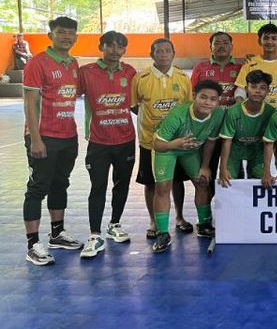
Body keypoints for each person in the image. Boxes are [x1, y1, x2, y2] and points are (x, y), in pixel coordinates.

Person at [22, 16, 83, 265]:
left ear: (76, 36)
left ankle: (57, 234)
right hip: (44, 137)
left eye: (71, 33)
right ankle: (32, 245)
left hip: (68, 136)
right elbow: (30, 103)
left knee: (60, 184)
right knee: (38, 188)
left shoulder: (73, 63)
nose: (66, 37)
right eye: (61, 32)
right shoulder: (37, 62)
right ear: (51, 35)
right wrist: (35, 139)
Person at [78, 31, 137, 259]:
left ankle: (114, 225)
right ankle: (94, 235)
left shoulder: (130, 72)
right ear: (101, 47)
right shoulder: (86, 72)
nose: (115, 50)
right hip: (98, 142)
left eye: (120, 46)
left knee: (122, 184)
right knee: (98, 186)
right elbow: (63, 96)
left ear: (125, 50)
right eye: (110, 45)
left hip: (126, 140)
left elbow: (137, 103)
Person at [151, 80, 225, 253]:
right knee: (163, 187)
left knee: (203, 181)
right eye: (203, 97)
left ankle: (204, 224)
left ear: (218, 101)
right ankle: (162, 233)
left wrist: (205, 166)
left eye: (213, 99)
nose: (207, 102)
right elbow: (157, 145)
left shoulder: (218, 114)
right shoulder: (178, 114)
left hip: (190, 150)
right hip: (168, 149)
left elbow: (211, 142)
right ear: (194, 96)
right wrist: (175, 144)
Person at [132, 38, 194, 240]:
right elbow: (134, 106)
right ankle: (153, 221)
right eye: (159, 51)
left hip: (177, 141)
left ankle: (180, 217)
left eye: (168, 51)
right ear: (152, 55)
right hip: (149, 141)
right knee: (151, 182)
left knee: (177, 180)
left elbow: (188, 107)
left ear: (173, 54)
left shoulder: (183, 78)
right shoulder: (140, 78)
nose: (164, 54)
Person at [190, 32, 243, 197]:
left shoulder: (241, 68)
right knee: (207, 172)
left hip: (233, 130)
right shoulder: (200, 68)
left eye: (225, 43)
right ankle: (207, 208)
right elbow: (192, 95)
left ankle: (234, 206)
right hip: (207, 130)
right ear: (210, 47)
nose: (221, 46)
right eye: (217, 43)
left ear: (232, 46)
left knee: (234, 173)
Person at [218, 70, 276, 186]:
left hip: (257, 151)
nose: (257, 91)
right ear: (246, 89)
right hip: (235, 151)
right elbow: (227, 141)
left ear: (268, 91)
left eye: (262, 88)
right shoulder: (233, 112)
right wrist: (222, 169)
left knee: (260, 180)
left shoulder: (271, 112)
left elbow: (270, 143)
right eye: (253, 87)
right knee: (228, 180)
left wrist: (267, 171)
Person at [234, 23, 277, 109]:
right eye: (266, 38)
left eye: (273, 38)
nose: (269, 42)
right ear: (259, 41)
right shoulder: (250, 63)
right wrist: (239, 107)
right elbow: (241, 89)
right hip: (256, 112)